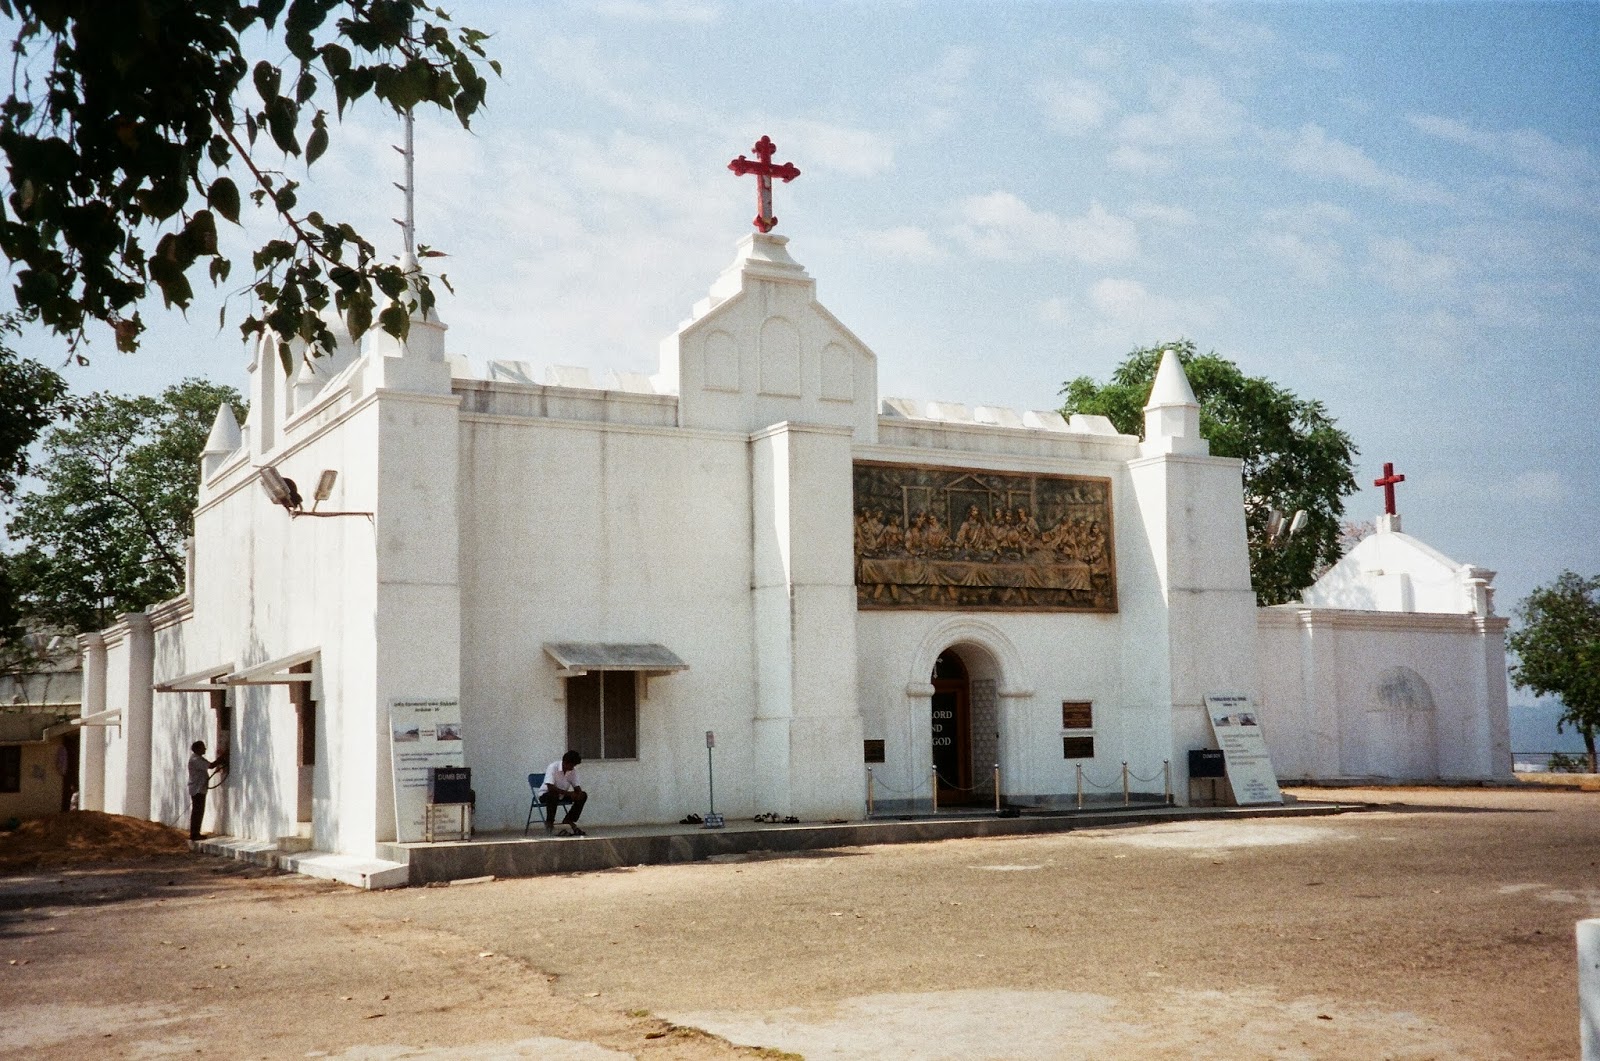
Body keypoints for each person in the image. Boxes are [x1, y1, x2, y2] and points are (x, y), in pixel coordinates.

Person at [538, 750, 588, 836]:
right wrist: (569, 794)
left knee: (583, 795)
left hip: (562, 795)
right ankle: (550, 822)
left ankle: (569, 819)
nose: (572, 767)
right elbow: (550, 787)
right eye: (571, 765)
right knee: (553, 795)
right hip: (546, 794)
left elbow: (576, 786)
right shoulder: (553, 767)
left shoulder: (572, 771)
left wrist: (578, 794)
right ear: (565, 762)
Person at [187, 741, 224, 843]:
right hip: (197, 789)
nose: (205, 749)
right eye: (203, 747)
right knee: (197, 811)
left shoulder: (198, 758)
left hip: (199, 788)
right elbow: (211, 766)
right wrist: (222, 757)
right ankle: (194, 834)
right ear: (198, 749)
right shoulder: (195, 760)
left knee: (198, 811)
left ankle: (195, 833)